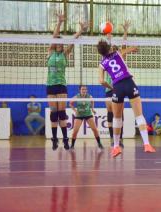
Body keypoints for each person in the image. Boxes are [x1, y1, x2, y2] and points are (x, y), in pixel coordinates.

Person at [97, 38, 156, 158]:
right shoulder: (118, 53)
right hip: (129, 83)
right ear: (109, 48)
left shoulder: (102, 64)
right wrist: (133, 48)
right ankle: (147, 144)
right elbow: (131, 48)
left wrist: (111, 88)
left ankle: (116, 147)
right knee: (139, 115)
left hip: (117, 87)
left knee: (117, 118)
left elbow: (101, 81)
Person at [47, 11, 87, 150]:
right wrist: (60, 22)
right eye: (56, 40)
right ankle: (54, 139)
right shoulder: (50, 52)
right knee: (53, 114)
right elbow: (54, 36)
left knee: (61, 113)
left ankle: (64, 139)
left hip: (61, 86)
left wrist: (80, 30)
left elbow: (72, 40)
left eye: (60, 41)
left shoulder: (65, 54)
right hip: (51, 86)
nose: (58, 42)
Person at [103, 21, 131, 148]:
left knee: (120, 113)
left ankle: (119, 138)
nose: (113, 50)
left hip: (119, 87)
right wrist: (109, 36)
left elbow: (123, 46)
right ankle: (112, 138)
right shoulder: (105, 59)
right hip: (109, 88)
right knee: (110, 113)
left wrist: (125, 31)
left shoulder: (119, 57)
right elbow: (108, 45)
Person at [69, 85, 103, 151]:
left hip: (88, 114)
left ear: (86, 90)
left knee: (95, 130)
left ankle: (99, 144)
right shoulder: (77, 97)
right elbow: (70, 103)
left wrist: (92, 109)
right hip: (79, 115)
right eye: (82, 89)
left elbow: (92, 101)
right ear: (80, 90)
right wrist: (75, 111)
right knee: (75, 131)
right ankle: (72, 145)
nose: (84, 90)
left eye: (85, 89)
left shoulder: (89, 96)